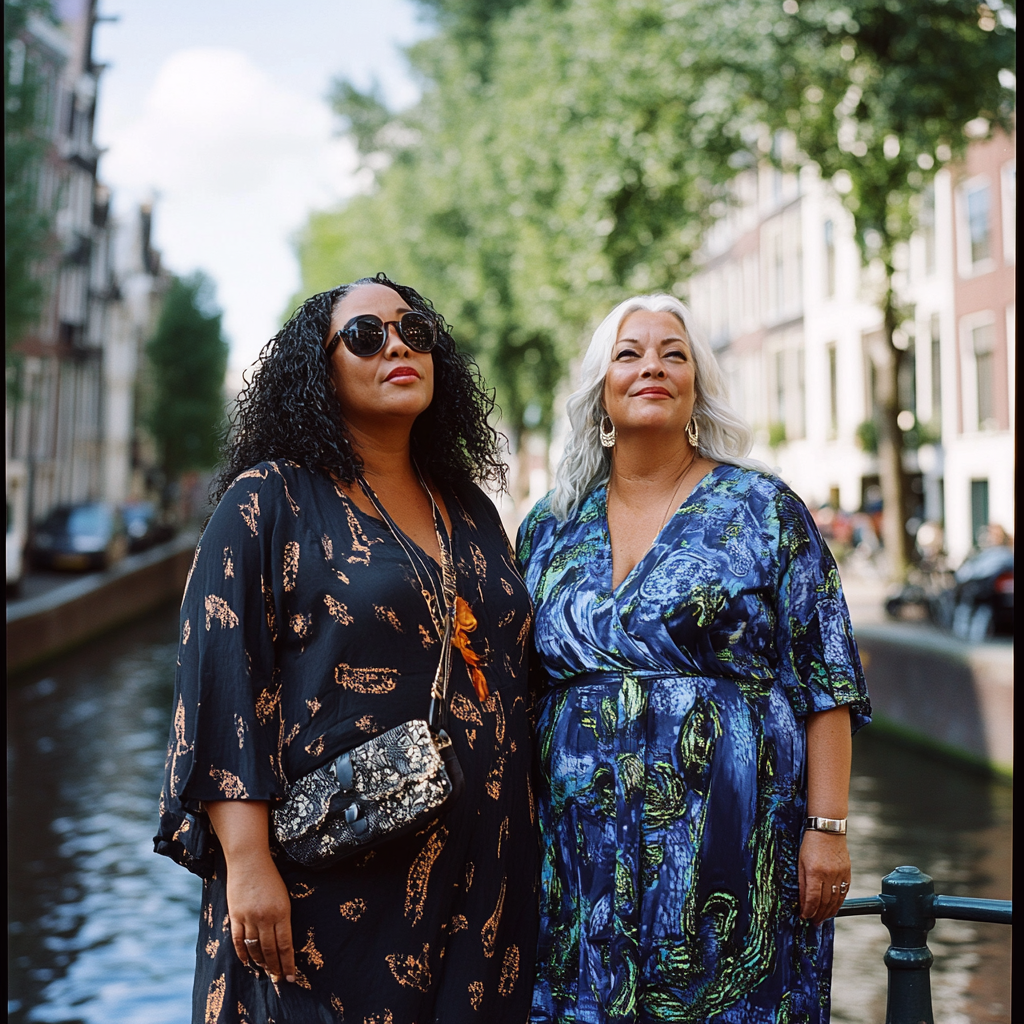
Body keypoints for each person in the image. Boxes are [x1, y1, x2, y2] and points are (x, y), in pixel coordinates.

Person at [155, 274, 539, 1023]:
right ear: (319, 368)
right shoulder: (271, 501)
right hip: (336, 888)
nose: (397, 344)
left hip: (488, 878)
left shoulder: (468, 508)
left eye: (414, 330)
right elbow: (223, 688)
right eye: (366, 335)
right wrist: (248, 865)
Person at [516, 294, 870, 1023]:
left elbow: (826, 676)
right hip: (578, 865)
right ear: (599, 392)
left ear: (697, 386)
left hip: (734, 856)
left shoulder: (763, 509)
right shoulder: (549, 528)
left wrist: (827, 831)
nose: (652, 365)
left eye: (673, 353)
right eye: (629, 352)